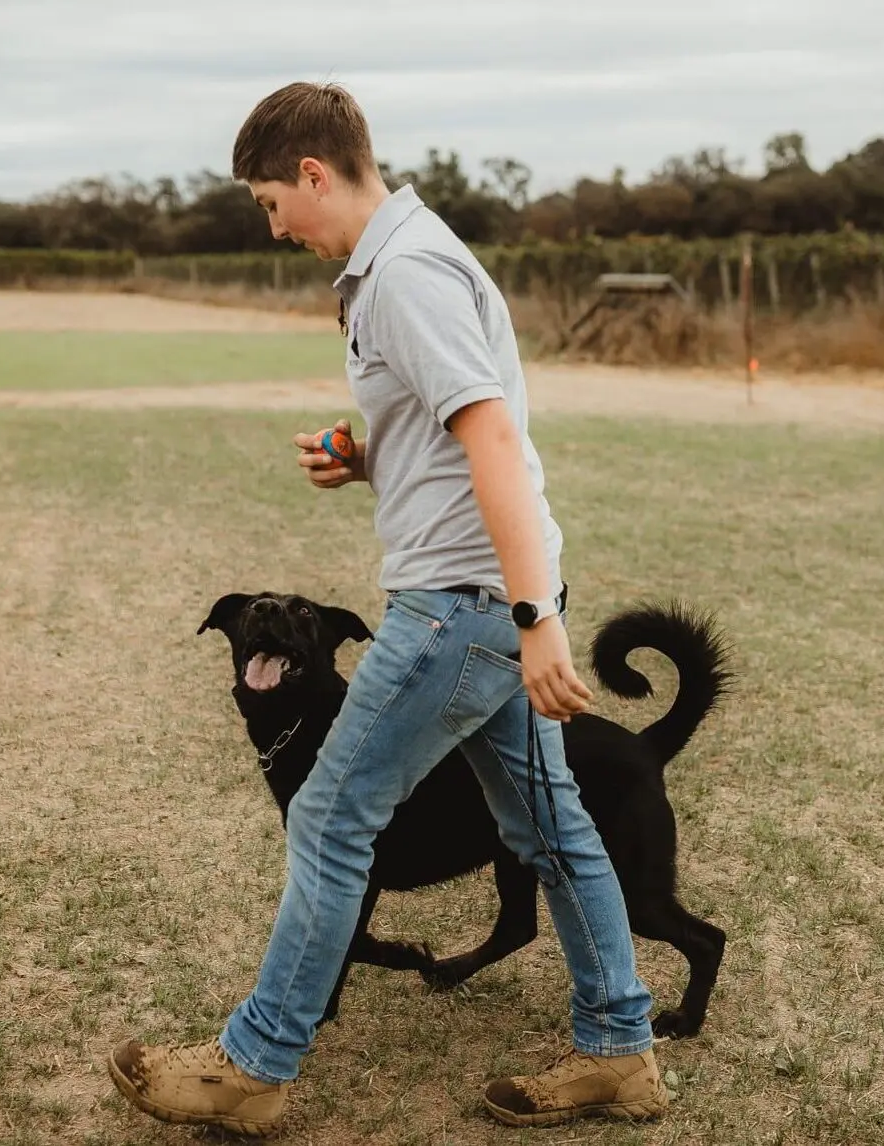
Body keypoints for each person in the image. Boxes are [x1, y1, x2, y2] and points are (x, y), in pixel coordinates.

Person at [107, 81, 670, 1137]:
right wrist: (370, 461)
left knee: (328, 816)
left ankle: (253, 1066)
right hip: (487, 597)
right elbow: (454, 441)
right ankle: (620, 1053)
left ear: (313, 173)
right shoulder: (409, 259)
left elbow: (495, 438)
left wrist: (534, 616)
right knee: (550, 828)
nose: (276, 228)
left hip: (461, 609)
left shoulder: (404, 272)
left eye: (272, 203)